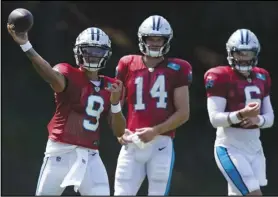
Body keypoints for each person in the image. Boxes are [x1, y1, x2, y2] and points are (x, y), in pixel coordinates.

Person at [7, 24, 126, 196]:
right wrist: (26, 46)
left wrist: (115, 105)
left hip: (90, 156)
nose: (92, 55)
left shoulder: (112, 86)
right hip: (59, 152)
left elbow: (119, 131)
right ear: (78, 52)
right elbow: (50, 74)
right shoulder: (68, 73)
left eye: (97, 51)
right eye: (88, 50)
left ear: (106, 54)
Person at [114, 15, 192, 195]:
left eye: (159, 39)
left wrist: (155, 131)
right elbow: (115, 104)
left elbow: (183, 113)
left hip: (161, 144)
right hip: (132, 141)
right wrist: (119, 131)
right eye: (151, 39)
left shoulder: (178, 68)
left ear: (167, 41)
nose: (155, 43)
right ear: (143, 39)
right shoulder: (128, 63)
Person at [204, 28, 274, 196]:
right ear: (231, 53)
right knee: (253, 194)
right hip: (230, 147)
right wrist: (241, 114)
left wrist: (258, 120)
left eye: (248, 53)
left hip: (255, 147)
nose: (244, 58)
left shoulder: (262, 76)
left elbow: (270, 118)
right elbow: (215, 119)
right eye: (240, 53)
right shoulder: (219, 76)